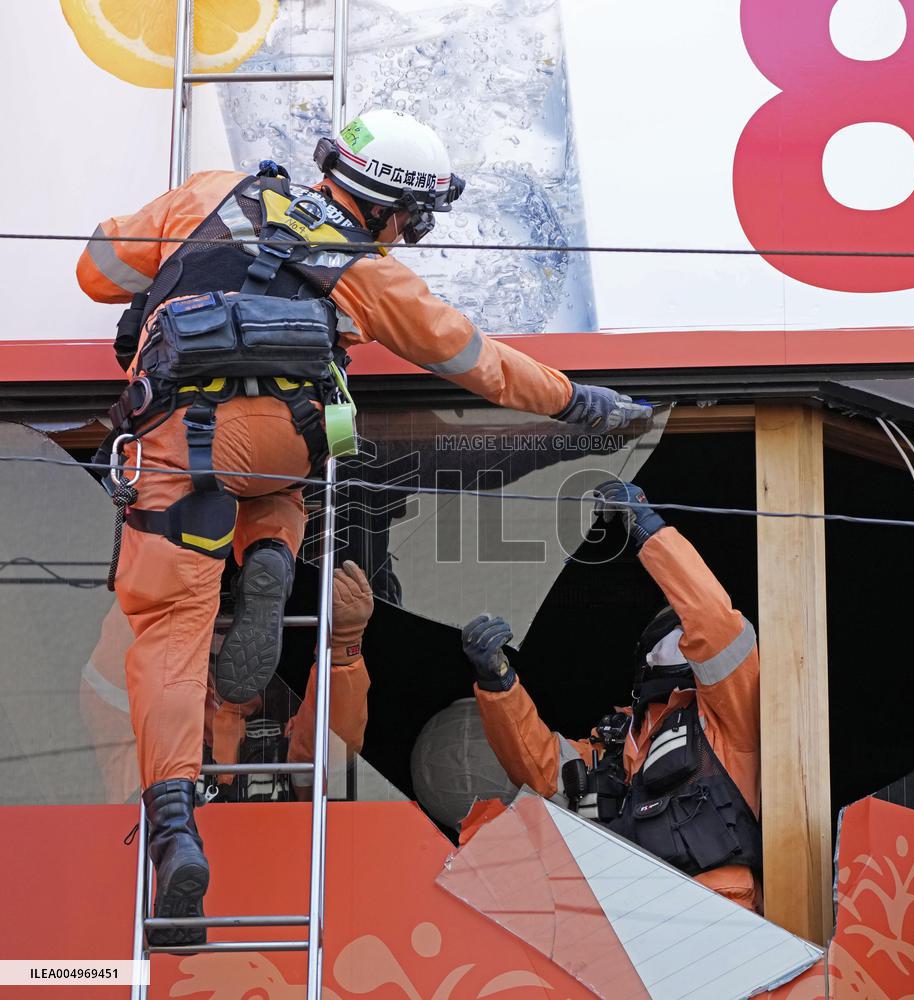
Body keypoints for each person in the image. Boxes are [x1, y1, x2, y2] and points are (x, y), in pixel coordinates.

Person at [77, 107, 651, 946]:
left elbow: (97, 274)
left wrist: (168, 249)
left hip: (174, 442)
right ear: (387, 209)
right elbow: (477, 361)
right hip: (278, 446)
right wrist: (588, 404)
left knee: (167, 632)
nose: (407, 238)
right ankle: (271, 547)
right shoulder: (366, 271)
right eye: (412, 222)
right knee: (277, 495)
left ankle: (173, 823)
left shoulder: (209, 191)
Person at [462, 480, 762, 911]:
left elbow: (715, 624)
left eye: (685, 630)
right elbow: (540, 768)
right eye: (670, 633)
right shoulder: (618, 742)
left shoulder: (728, 716)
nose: (683, 640)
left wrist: (649, 531)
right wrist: (498, 684)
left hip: (717, 909)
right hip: (625, 923)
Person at [207, 561, 372, 804]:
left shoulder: (287, 742)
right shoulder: (168, 725)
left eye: (238, 622)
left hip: (279, 837)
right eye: (221, 620)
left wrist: (342, 645)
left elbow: (332, 741)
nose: (231, 637)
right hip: (170, 838)